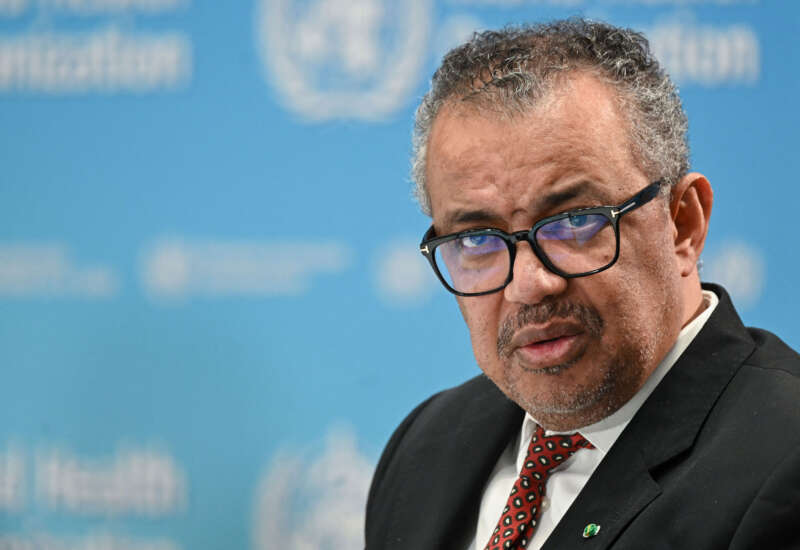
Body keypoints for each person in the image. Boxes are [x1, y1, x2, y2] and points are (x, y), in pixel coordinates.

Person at [365, 18, 800, 550]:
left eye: (575, 221)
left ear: (683, 224)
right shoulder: (425, 445)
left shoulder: (785, 462)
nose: (528, 285)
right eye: (477, 239)